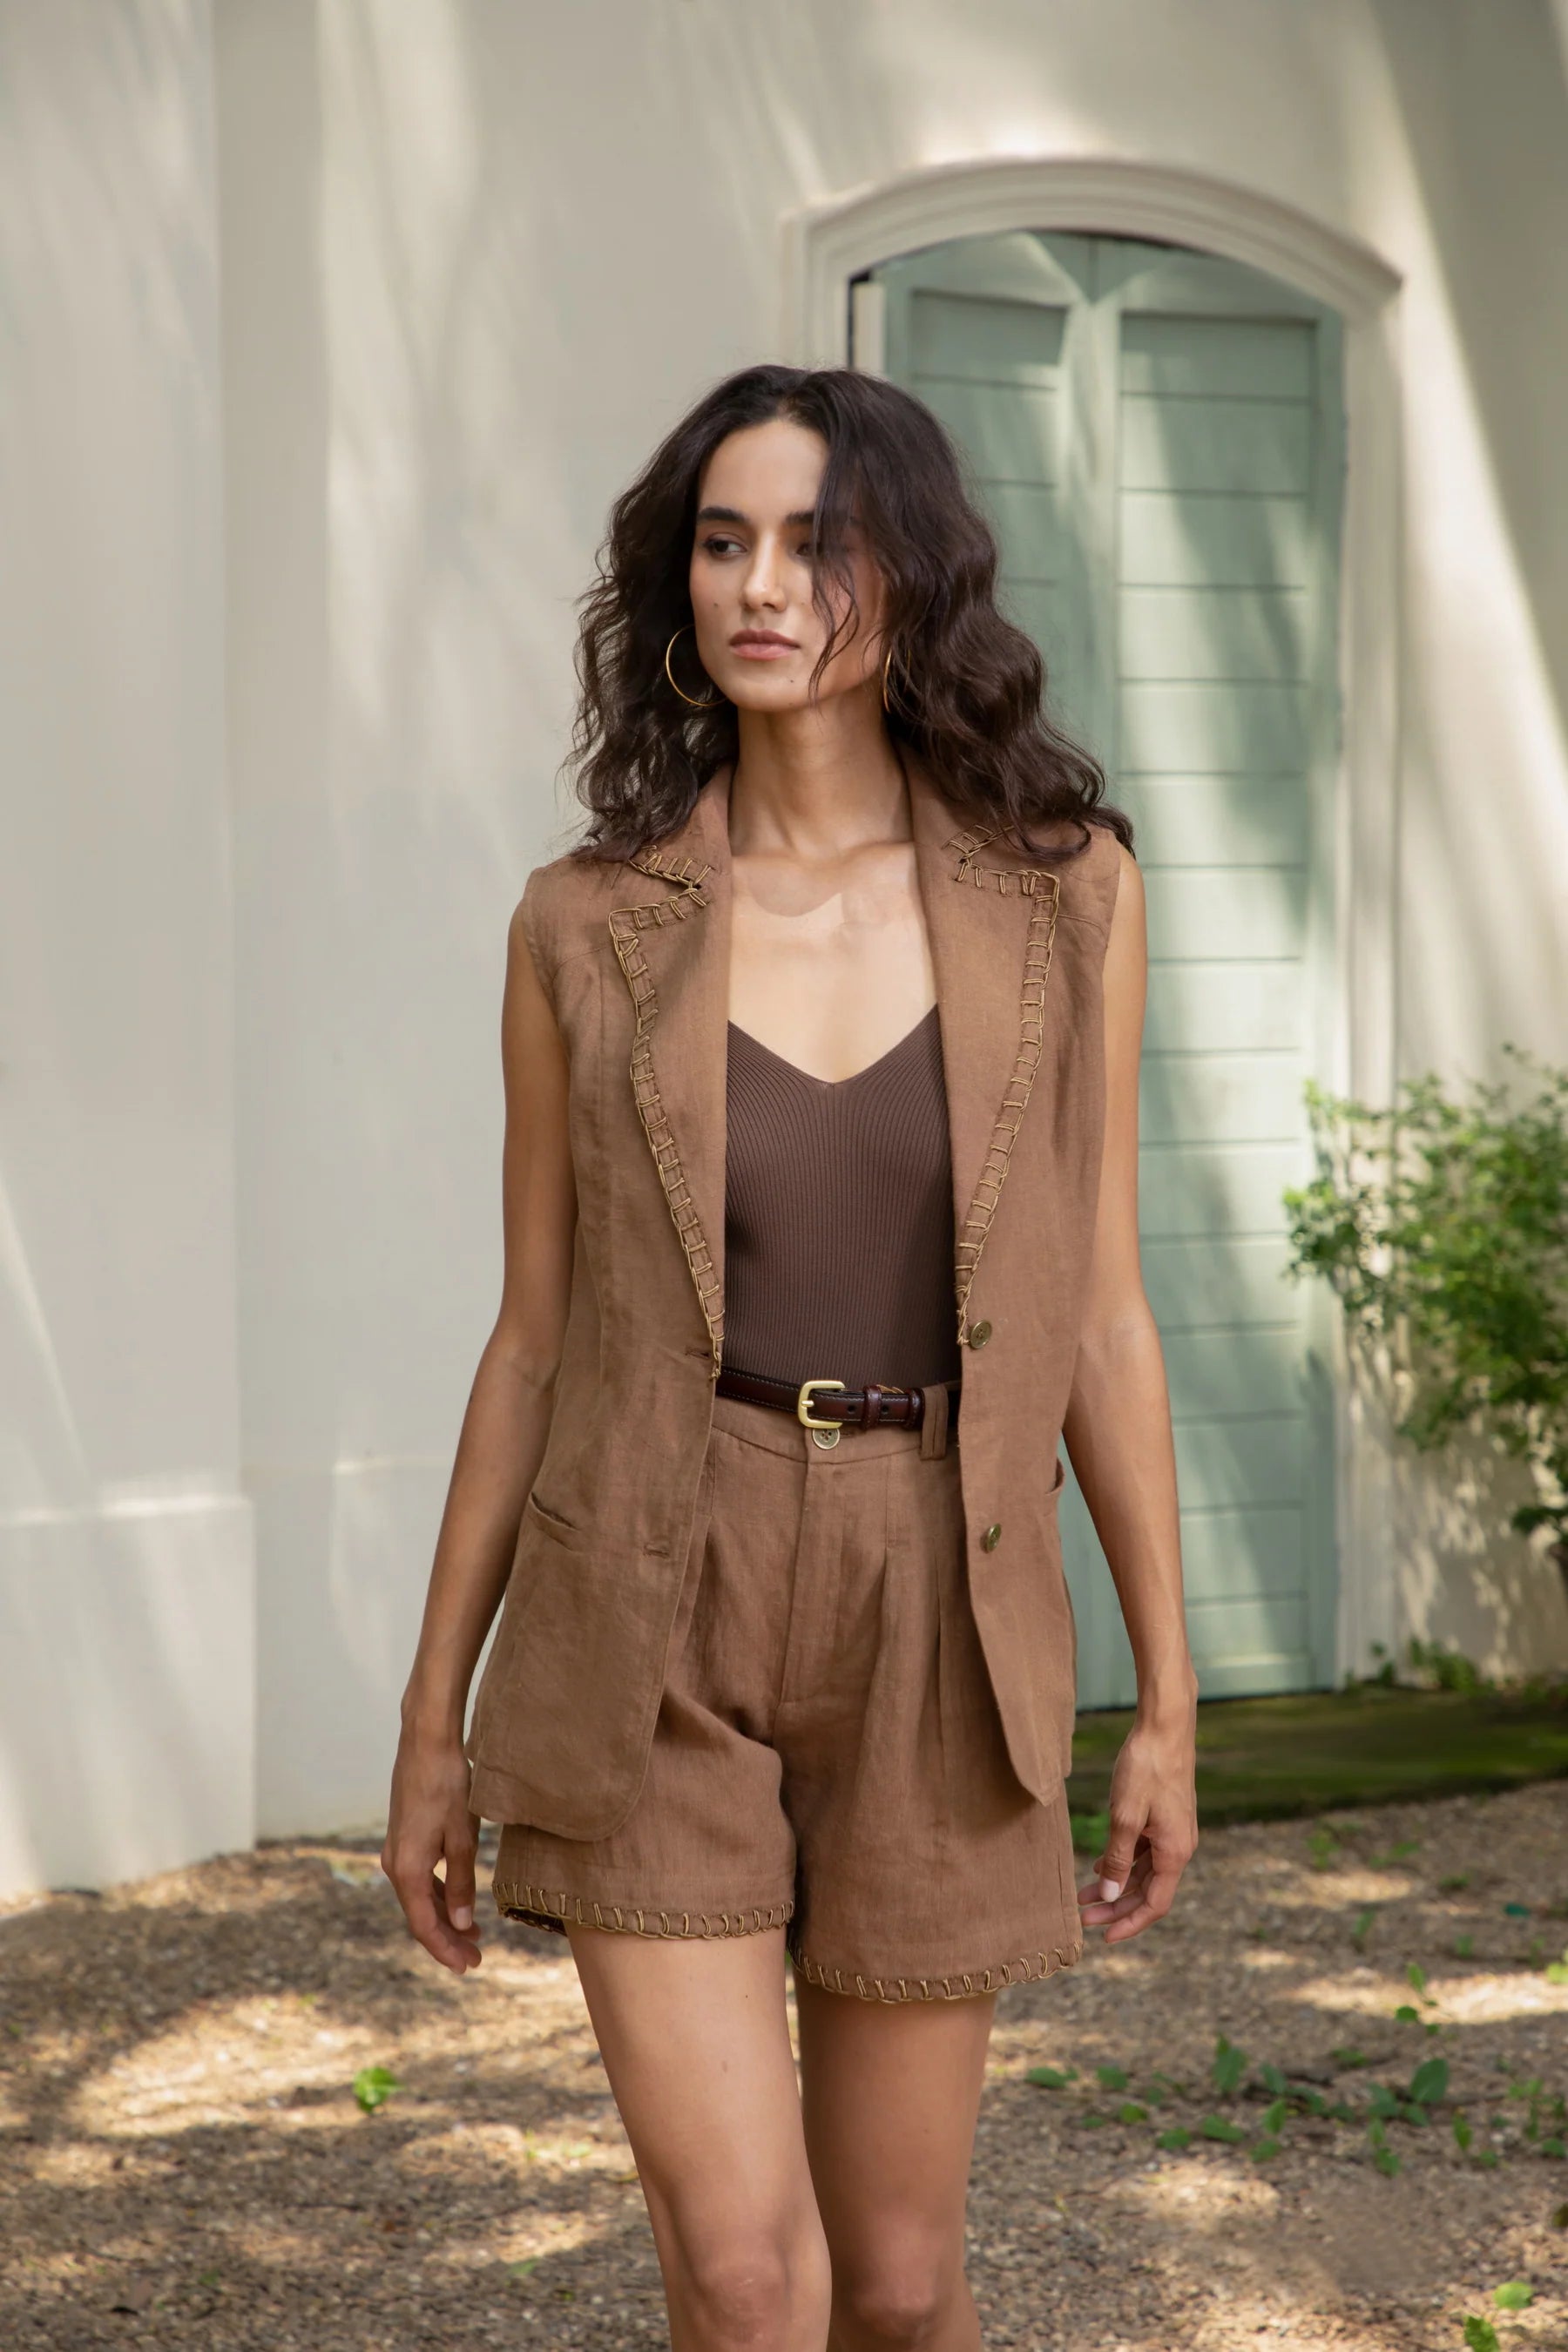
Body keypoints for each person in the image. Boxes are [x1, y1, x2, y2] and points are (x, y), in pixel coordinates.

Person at [383, 362, 1198, 2352]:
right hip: (651, 1585)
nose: (762, 585)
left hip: (944, 1589)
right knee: (750, 2283)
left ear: (911, 574)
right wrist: (434, 1719)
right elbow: (534, 1336)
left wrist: (1170, 1701)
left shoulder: (1069, 895)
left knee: (904, 2291)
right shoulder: (584, 927)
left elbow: (1100, 1315)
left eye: (816, 540)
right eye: (722, 540)